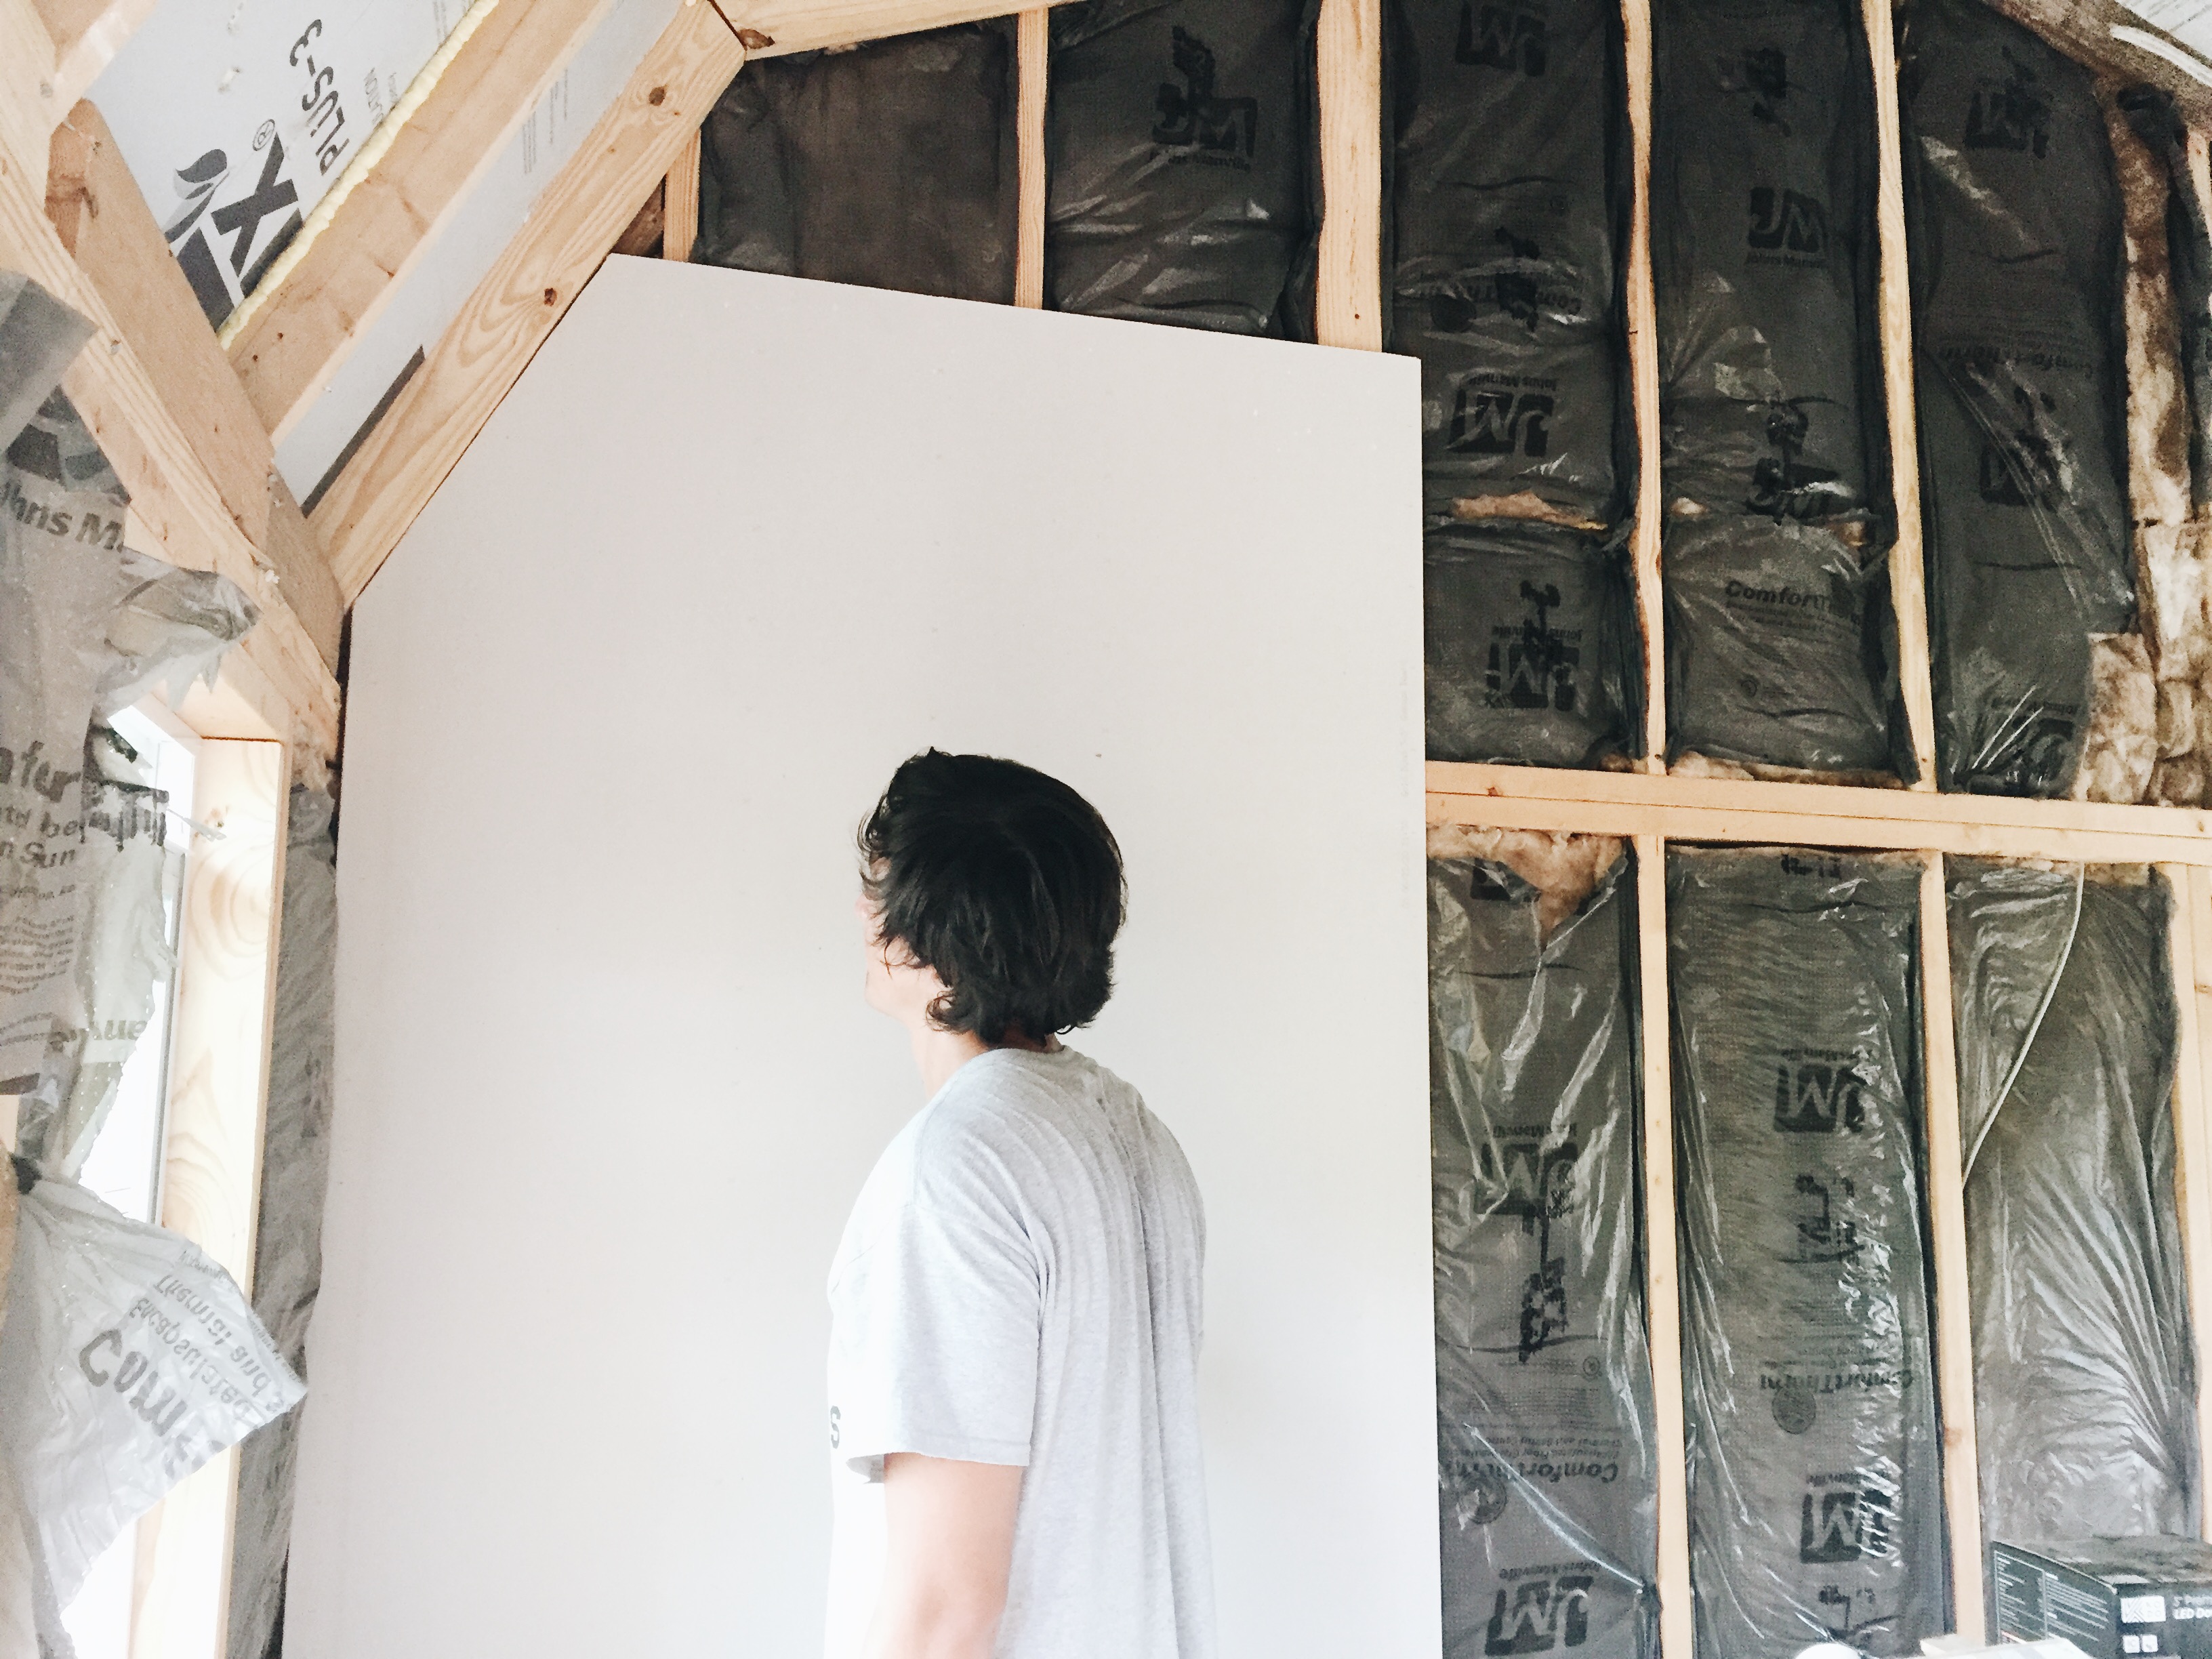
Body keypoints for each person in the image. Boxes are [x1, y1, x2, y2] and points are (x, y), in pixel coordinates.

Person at [826, 750, 1214, 1659]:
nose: (859, 911)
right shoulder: (1138, 1140)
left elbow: (946, 1606)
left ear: (927, 933)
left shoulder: (955, 1169)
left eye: (877, 886)